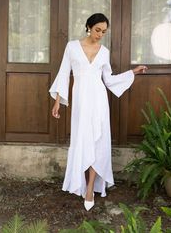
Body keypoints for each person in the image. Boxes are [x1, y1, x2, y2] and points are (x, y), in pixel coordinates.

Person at [49, 13, 147, 211]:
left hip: (99, 101)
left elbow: (109, 79)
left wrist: (132, 72)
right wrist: (58, 101)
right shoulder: (72, 47)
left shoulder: (104, 52)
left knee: (98, 142)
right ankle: (81, 182)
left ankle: (90, 188)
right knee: (82, 140)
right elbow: (63, 74)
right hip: (80, 102)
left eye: (104, 31)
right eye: (97, 30)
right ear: (88, 27)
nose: (100, 34)